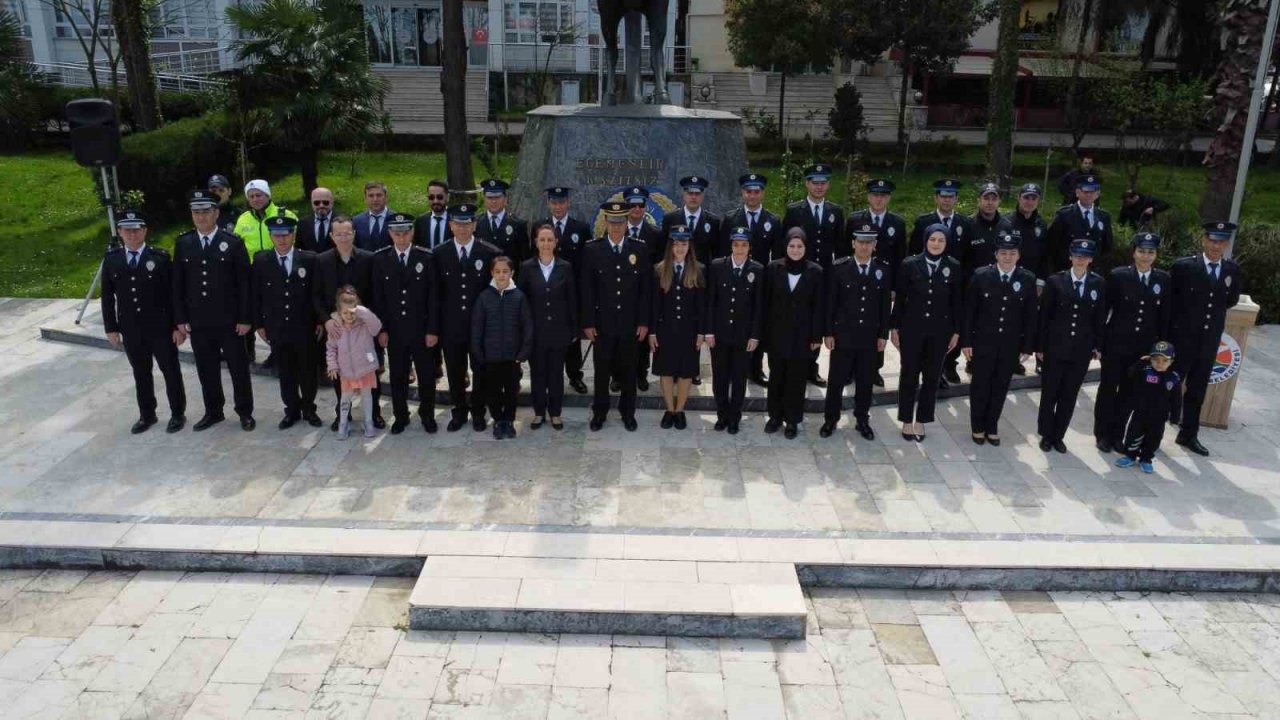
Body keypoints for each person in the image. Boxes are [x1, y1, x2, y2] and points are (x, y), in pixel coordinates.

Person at [173, 188, 255, 431]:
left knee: (238, 368)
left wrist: (245, 317)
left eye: (206, 212)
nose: (201, 217)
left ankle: (244, 411)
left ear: (216, 213)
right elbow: (177, 285)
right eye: (196, 212)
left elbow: (244, 285)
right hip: (199, 322)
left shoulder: (232, 243)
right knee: (206, 368)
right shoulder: (184, 243)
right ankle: (213, 411)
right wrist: (180, 319)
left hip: (230, 321)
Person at [100, 209, 186, 434]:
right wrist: (111, 328)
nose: (132, 234)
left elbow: (173, 294)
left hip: (161, 328)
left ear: (145, 230)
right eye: (127, 230)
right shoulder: (112, 259)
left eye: (136, 229)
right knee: (141, 372)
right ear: (119, 232)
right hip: (132, 328)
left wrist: (178, 325)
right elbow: (108, 297)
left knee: (171, 371)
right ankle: (147, 414)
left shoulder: (160, 257)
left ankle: (178, 413)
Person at [1168, 221, 1243, 456]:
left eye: (1220, 241)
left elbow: (1229, 300)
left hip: (1209, 341)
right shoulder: (1184, 267)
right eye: (1212, 240)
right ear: (1203, 240)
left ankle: (1188, 434)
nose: (1215, 245)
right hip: (1182, 339)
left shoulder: (1232, 270)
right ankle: (1151, 431)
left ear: (1226, 244)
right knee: (1168, 384)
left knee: (1197, 389)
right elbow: (1171, 303)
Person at [1094, 232, 1170, 452]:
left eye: (1151, 252)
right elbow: (1104, 311)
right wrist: (1099, 343)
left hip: (1143, 349)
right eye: (1142, 251)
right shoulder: (1119, 276)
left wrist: (1161, 348)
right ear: (1134, 252)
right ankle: (1102, 434)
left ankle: (1118, 434)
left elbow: (1164, 315)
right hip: (1116, 343)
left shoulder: (1162, 279)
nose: (1146, 256)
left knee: (1130, 392)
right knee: (1108, 389)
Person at [961, 230, 1037, 445]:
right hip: (983, 341)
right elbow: (970, 312)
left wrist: (1027, 346)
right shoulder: (981, 275)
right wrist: (966, 341)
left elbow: (1031, 316)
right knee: (980, 384)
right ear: (996, 254)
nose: (1007, 257)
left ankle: (991, 425)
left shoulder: (1027, 279)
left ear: (1018, 255)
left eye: (1012, 253)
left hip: (1010, 344)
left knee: (1001, 385)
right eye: (1003, 253)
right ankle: (977, 426)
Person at [581, 201, 652, 432]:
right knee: (601, 370)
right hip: (602, 325)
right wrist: (588, 322)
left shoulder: (639, 249)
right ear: (606, 222)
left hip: (630, 325)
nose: (616, 227)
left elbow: (645, 290)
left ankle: (627, 412)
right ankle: (599, 412)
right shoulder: (592, 249)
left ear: (626, 222)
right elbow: (587, 290)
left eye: (620, 222)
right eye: (612, 222)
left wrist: (643, 321)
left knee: (629, 370)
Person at [430, 204, 499, 432]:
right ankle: (459, 411)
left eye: (467, 223)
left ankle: (479, 412)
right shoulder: (439, 253)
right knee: (455, 371)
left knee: (481, 372)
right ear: (450, 226)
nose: (462, 228)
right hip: (452, 327)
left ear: (474, 225)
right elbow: (435, 294)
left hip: (480, 327)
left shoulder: (490, 253)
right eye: (458, 224)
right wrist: (434, 327)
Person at [312, 214, 384, 431]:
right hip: (337, 328)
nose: (344, 237)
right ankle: (342, 414)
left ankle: (375, 414)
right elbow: (315, 295)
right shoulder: (321, 260)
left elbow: (377, 293)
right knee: (339, 373)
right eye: (339, 234)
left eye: (347, 233)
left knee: (371, 372)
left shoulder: (368, 259)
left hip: (364, 329)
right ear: (332, 236)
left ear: (354, 234)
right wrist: (325, 320)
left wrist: (374, 323)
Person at [891, 223, 962, 442]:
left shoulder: (954, 266)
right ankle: (906, 419)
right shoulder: (910, 264)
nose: (936, 244)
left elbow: (957, 303)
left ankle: (922, 420)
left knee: (931, 377)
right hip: (912, 329)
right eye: (933, 239)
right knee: (909, 374)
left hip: (940, 331)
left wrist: (957, 331)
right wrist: (894, 328)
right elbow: (900, 299)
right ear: (925, 240)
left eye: (941, 240)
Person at [251, 213, 322, 429]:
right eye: (276, 235)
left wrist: (319, 320)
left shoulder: (309, 259)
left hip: (304, 326)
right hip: (277, 326)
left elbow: (316, 293)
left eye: (286, 234)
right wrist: (259, 324)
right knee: (286, 372)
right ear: (271, 236)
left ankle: (309, 409)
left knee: (308, 371)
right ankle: (291, 410)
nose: (281, 239)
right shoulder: (262, 260)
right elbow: (257, 295)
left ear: (293, 235)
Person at [821, 223, 891, 440]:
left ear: (875, 245)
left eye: (868, 242)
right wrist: (828, 332)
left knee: (865, 381)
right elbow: (830, 302)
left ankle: (862, 419)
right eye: (860, 242)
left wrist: (883, 335)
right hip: (843, 335)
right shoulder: (839, 267)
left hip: (869, 336)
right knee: (836, 380)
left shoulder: (883, 269)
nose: (864, 246)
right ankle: (830, 419)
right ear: (853, 243)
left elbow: (884, 305)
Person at [1036, 238, 1106, 453]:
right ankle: (1046, 434)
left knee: (1069, 394)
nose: (1080, 259)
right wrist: (1040, 346)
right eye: (1077, 255)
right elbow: (1044, 316)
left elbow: (1100, 317)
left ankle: (1059, 435)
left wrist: (1098, 345)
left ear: (1091, 259)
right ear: (1070, 257)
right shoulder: (1055, 281)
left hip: (1081, 349)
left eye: (1084, 256)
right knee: (1050, 393)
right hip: (1055, 347)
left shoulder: (1098, 283)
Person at [373, 212, 438, 434]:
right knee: (398, 375)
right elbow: (378, 298)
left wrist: (432, 330)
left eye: (405, 232)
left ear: (412, 232)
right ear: (390, 233)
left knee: (427, 375)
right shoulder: (380, 259)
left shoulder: (427, 258)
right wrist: (381, 329)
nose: (401, 237)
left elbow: (433, 297)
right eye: (396, 232)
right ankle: (401, 416)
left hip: (421, 330)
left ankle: (427, 415)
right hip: (395, 331)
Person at [782, 163, 843, 388]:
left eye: (823, 183)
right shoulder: (794, 210)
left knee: (818, 321)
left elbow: (841, 248)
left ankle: (812, 368)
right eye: (814, 182)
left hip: (825, 277)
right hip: (799, 276)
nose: (819, 187)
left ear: (828, 184)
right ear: (807, 184)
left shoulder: (835, 212)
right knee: (799, 319)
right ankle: (794, 364)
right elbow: (785, 245)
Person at [719, 173, 780, 386]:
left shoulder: (772, 220)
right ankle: (732, 367)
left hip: (761, 280)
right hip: (735, 279)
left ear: (762, 193)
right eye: (748, 191)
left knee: (758, 323)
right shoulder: (730, 219)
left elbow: (778, 255)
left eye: (756, 191)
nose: (752, 195)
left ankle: (755, 368)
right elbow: (721, 253)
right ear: (742, 192)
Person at [762, 228, 824, 439]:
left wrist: (817, 336)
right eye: (792, 246)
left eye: (800, 246)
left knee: (796, 380)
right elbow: (766, 303)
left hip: (802, 337)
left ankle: (792, 420)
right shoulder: (773, 268)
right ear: (785, 247)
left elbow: (818, 307)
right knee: (776, 377)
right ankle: (775, 417)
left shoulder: (815, 271)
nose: (795, 250)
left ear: (805, 248)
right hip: (777, 335)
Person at [911, 179, 972, 387]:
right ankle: (923, 370)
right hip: (926, 286)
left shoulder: (965, 223)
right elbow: (913, 255)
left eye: (951, 196)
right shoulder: (923, 222)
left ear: (956, 198)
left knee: (949, 330)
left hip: (953, 287)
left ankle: (944, 368)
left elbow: (968, 257)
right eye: (943, 196)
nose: (947, 200)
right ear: (936, 198)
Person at [847, 178, 907, 387]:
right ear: (868, 197)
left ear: (888, 198)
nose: (878, 199)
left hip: (882, 285)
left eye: (883, 195)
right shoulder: (855, 220)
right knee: (854, 322)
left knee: (877, 324)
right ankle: (851, 368)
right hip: (854, 281)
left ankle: (874, 369)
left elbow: (901, 259)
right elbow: (846, 252)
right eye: (875, 195)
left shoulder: (897, 223)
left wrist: (895, 288)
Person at [704, 226, 764, 435]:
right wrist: (709, 331)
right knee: (719, 377)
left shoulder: (757, 269)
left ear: (749, 247)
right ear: (731, 245)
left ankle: (734, 417)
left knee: (739, 379)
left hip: (743, 335)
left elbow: (758, 306)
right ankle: (722, 414)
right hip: (719, 334)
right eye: (736, 244)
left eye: (744, 245)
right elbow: (710, 301)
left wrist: (755, 335)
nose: (740, 249)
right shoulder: (718, 266)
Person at [519, 223, 578, 430]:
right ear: (536, 242)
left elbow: (572, 300)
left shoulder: (565, 267)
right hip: (535, 333)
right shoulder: (527, 268)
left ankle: (555, 413)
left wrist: (573, 330)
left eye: (549, 240)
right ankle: (538, 412)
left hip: (559, 332)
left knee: (555, 374)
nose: (545, 244)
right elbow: (522, 303)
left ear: (556, 243)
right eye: (542, 239)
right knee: (538, 374)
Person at [535, 186, 591, 395]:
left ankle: (575, 376)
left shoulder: (581, 229)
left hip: (571, 294)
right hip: (547, 293)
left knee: (572, 339)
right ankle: (551, 376)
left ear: (568, 203)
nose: (558, 206)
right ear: (548, 203)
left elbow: (586, 265)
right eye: (554, 202)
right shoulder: (540, 227)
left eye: (562, 202)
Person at [471, 256, 534, 440]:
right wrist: (478, 353)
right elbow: (476, 328)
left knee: (511, 391)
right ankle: (498, 420)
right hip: (491, 357)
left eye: (505, 271)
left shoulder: (519, 297)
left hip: (512, 357)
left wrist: (523, 353)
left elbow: (527, 326)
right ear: (492, 273)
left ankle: (509, 420)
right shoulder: (484, 297)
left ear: (512, 273)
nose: (501, 275)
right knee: (493, 391)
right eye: (497, 272)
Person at [650, 226, 705, 430]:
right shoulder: (659, 270)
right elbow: (654, 305)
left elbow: (702, 306)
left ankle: (680, 410)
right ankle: (669, 409)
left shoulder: (698, 270)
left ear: (689, 245)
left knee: (685, 372)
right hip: (666, 330)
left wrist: (701, 332)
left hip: (689, 331)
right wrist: (653, 332)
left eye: (684, 243)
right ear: (670, 246)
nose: (680, 248)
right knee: (666, 370)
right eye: (676, 244)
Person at [1114, 341, 1181, 473]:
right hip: (1140, 412)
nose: (1159, 364)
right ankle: (1130, 455)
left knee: (1154, 438)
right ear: (1150, 359)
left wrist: (1175, 417)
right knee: (1133, 434)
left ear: (1171, 362)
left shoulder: (1173, 378)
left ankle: (1146, 458)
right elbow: (1130, 373)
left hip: (1159, 416)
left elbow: (1177, 400)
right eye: (1155, 360)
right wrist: (1140, 362)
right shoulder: (1144, 371)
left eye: (1164, 361)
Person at [325, 286, 383, 440]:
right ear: (338, 311)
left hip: (365, 367)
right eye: (345, 313)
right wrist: (332, 365)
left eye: (352, 312)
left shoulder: (365, 323)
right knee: (345, 398)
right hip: (346, 371)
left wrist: (362, 311)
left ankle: (369, 422)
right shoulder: (336, 327)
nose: (349, 316)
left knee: (367, 396)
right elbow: (331, 348)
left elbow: (377, 327)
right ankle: (343, 424)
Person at [620, 186, 661, 393]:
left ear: (646, 207)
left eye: (640, 205)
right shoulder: (617, 230)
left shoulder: (655, 234)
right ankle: (618, 376)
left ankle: (641, 374)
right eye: (632, 205)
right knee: (620, 337)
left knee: (642, 339)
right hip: (621, 294)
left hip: (646, 294)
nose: (636, 209)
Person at [1009, 182, 1049, 376]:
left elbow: (1045, 257)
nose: (1029, 201)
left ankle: (1018, 357)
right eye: (1026, 197)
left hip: (1032, 283)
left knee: (1027, 321)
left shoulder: (1042, 225)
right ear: (1019, 198)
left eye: (1033, 198)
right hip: (1010, 280)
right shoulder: (1007, 222)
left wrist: (1041, 282)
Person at [1046, 173, 1114, 274]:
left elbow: (1107, 249)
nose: (1089, 194)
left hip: (1093, 274)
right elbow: (1051, 247)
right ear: (1077, 192)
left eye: (1092, 191)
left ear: (1098, 194)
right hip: (1066, 273)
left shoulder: (1104, 217)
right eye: (1085, 191)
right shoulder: (1064, 215)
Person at [660, 175, 720, 265]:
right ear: (684, 194)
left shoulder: (713, 221)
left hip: (703, 275)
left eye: (697, 194)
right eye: (690, 193)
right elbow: (664, 250)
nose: (693, 197)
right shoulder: (670, 219)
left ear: (703, 195)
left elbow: (716, 254)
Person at [474, 178, 529, 264]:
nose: (494, 201)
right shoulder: (475, 224)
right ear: (484, 199)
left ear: (505, 199)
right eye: (489, 197)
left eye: (497, 197)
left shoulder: (517, 225)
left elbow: (525, 259)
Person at [234, 179, 297, 254]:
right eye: (251, 197)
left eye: (258, 195)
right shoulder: (243, 219)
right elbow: (236, 245)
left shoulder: (287, 215)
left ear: (268, 196)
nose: (255, 199)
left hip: (280, 263)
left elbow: (297, 242)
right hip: (252, 265)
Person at [353, 181, 396, 252]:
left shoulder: (396, 220)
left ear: (386, 197)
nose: (375, 199)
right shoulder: (356, 221)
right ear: (365, 199)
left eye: (379, 195)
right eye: (371, 196)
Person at [413, 179, 453, 249]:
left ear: (448, 197)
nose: (435, 201)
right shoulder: (420, 221)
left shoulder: (455, 220)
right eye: (431, 197)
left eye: (439, 197)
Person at [297, 187, 337, 253]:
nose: (321, 205)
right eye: (316, 202)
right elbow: (298, 249)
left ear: (332, 202)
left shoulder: (343, 223)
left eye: (325, 202)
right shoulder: (302, 223)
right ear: (311, 203)